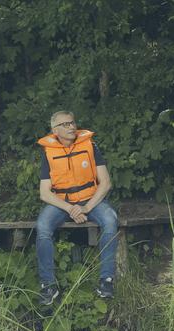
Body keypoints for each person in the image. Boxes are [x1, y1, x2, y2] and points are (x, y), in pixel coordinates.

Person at [35, 111, 119, 305]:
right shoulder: (48, 152)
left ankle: (106, 280)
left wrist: (86, 208)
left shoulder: (90, 146)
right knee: (43, 228)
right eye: (65, 124)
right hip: (62, 203)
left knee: (110, 221)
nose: (72, 127)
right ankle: (48, 286)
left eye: (72, 122)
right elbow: (45, 193)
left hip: (91, 199)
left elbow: (105, 183)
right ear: (55, 130)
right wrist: (71, 208)